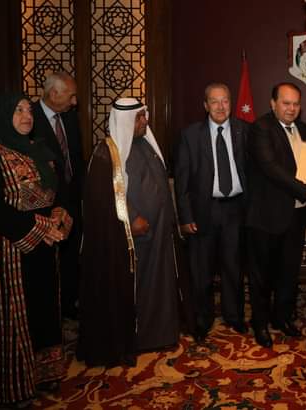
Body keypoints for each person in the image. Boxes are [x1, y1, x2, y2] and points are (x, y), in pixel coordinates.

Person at [0, 93, 70, 407]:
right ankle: (11, 384)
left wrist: (59, 216)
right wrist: (41, 228)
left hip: (42, 249)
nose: (27, 116)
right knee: (13, 317)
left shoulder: (38, 150)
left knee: (43, 308)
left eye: (29, 110)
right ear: (2, 115)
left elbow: (55, 193)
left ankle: (45, 372)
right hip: (7, 251)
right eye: (18, 110)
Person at [78, 98, 183, 367]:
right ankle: (137, 337)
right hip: (131, 237)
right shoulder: (106, 153)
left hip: (159, 233)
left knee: (159, 284)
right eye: (139, 118)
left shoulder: (146, 143)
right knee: (138, 287)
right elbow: (104, 197)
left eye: (144, 116)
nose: (145, 121)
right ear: (124, 121)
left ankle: (159, 334)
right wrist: (132, 217)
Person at [246, 82, 306, 348]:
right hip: (266, 216)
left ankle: (281, 317)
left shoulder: (303, 129)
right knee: (262, 276)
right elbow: (272, 169)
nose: (291, 108)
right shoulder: (260, 128)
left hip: (296, 215)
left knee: (288, 272)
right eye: (286, 103)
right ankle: (260, 323)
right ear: (273, 104)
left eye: (296, 104)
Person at [175, 83, 249, 341]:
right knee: (201, 271)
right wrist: (185, 217)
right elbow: (182, 180)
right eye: (214, 101)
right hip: (203, 211)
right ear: (205, 105)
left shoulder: (244, 130)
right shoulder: (190, 135)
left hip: (236, 210)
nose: (220, 106)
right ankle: (202, 320)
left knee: (233, 268)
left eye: (225, 101)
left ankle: (234, 316)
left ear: (231, 103)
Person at [32, 71, 84, 319]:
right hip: (47, 202)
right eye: (71, 96)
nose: (75, 102)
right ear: (54, 93)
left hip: (72, 199)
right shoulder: (29, 118)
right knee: (48, 258)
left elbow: (76, 158)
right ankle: (49, 308)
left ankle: (69, 304)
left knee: (71, 254)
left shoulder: (70, 117)